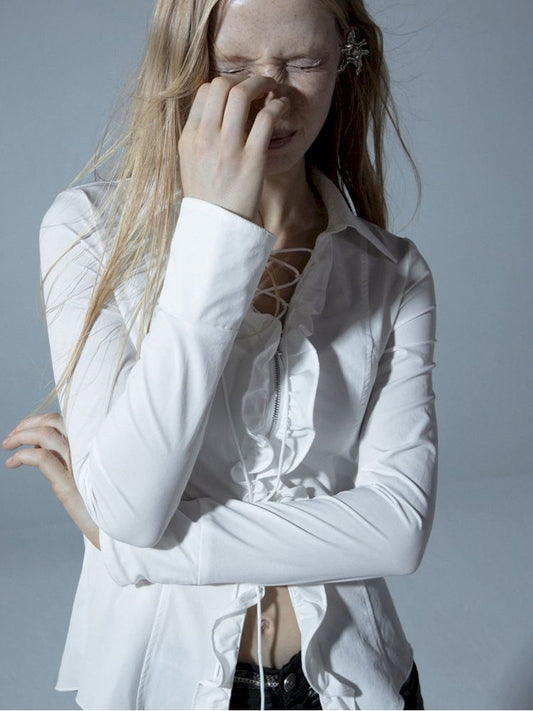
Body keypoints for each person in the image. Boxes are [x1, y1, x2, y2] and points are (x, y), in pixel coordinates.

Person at [3, 0, 437, 709]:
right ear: (184, 66)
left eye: (304, 63)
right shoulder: (88, 231)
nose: (271, 98)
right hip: (162, 685)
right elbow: (133, 507)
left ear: (346, 58)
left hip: (356, 685)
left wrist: (135, 553)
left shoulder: (391, 271)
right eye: (233, 67)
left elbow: (397, 530)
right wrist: (217, 231)